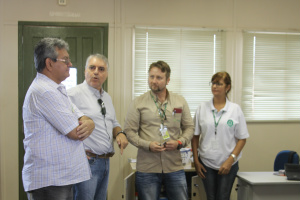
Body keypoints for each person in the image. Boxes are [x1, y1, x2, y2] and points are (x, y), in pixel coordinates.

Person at [22, 37, 95, 200]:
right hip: (49, 181)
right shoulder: (44, 91)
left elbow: (81, 116)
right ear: (49, 64)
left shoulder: (57, 89)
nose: (70, 64)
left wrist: (90, 122)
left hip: (59, 178)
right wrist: (87, 125)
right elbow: (76, 132)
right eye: (66, 60)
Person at [124, 60, 194, 200]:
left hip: (174, 165)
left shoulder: (179, 101)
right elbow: (129, 131)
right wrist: (147, 145)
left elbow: (189, 127)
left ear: (168, 80)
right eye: (151, 77)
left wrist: (180, 142)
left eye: (159, 78)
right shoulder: (138, 102)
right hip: (147, 167)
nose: (154, 81)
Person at [67, 53, 128, 200]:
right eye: (92, 67)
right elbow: (64, 127)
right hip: (87, 163)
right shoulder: (72, 94)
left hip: (105, 162)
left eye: (101, 69)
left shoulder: (107, 97)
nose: (96, 72)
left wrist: (120, 133)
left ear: (106, 74)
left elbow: (113, 122)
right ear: (85, 71)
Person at [191, 71, 249, 200]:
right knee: (210, 197)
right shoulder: (202, 108)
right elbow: (195, 136)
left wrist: (231, 159)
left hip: (228, 163)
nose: (215, 86)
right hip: (206, 163)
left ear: (227, 87)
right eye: (213, 83)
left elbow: (242, 139)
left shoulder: (235, 109)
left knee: (223, 197)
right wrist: (196, 160)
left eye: (219, 83)